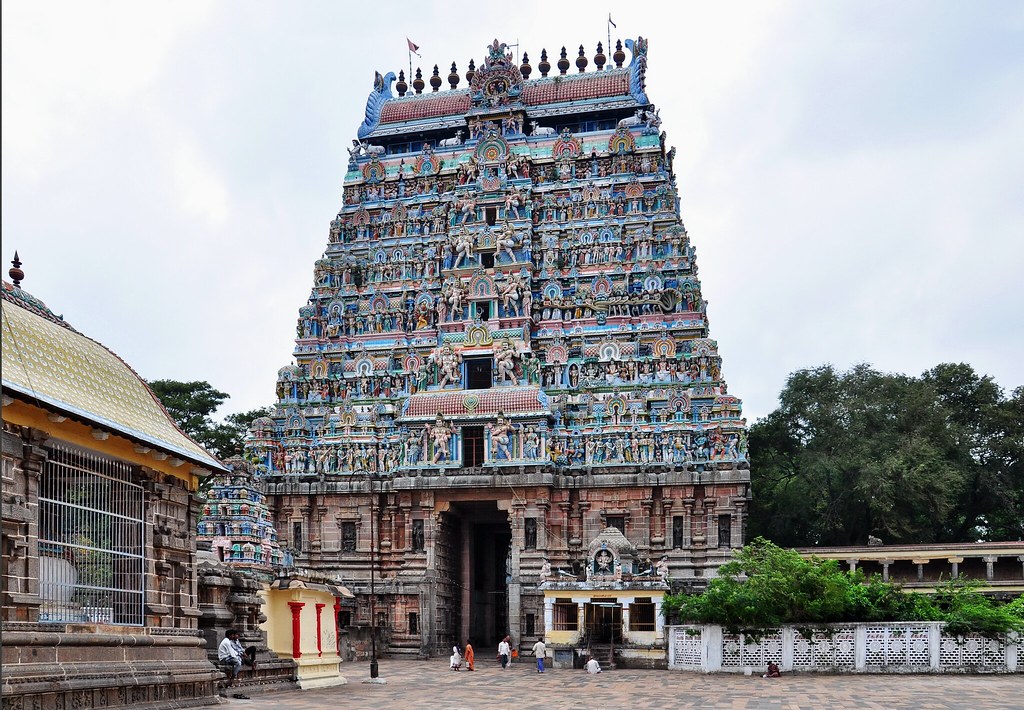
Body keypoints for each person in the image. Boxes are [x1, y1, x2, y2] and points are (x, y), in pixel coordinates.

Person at [218, 629, 256, 697]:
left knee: (251, 650)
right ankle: (232, 678)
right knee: (238, 662)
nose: (235, 636)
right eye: (234, 635)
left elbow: (239, 649)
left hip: (234, 655)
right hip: (225, 658)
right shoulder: (227, 642)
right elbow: (232, 653)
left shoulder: (235, 641)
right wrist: (239, 657)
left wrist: (242, 654)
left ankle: (251, 662)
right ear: (230, 635)